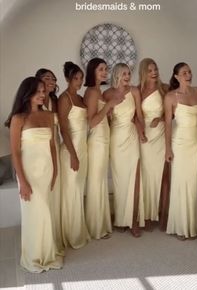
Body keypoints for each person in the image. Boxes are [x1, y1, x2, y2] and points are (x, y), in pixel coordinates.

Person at [5, 77, 63, 272]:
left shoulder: (49, 116)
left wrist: (55, 171)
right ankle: (33, 256)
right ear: (27, 93)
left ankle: (48, 252)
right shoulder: (18, 118)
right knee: (33, 214)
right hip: (28, 174)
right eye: (37, 91)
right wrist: (22, 181)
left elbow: (53, 146)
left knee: (46, 211)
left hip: (46, 172)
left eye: (43, 91)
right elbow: (15, 151)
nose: (42, 94)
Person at [104, 63, 145, 237]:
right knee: (120, 182)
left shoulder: (135, 91)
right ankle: (121, 218)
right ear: (116, 75)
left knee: (134, 179)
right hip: (115, 139)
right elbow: (104, 119)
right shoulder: (107, 94)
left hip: (131, 138)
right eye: (124, 74)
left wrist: (141, 131)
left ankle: (134, 221)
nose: (127, 76)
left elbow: (139, 116)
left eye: (129, 73)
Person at [84, 58, 122, 239]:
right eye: (101, 69)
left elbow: (100, 118)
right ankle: (95, 227)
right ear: (92, 71)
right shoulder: (91, 92)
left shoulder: (99, 91)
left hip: (104, 138)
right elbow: (91, 123)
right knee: (96, 183)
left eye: (106, 69)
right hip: (97, 141)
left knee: (100, 182)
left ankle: (101, 224)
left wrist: (109, 112)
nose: (105, 72)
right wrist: (108, 105)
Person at [164, 62, 197, 240]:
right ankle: (180, 226)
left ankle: (192, 225)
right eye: (184, 72)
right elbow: (167, 124)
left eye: (190, 71)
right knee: (180, 183)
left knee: (194, 183)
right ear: (177, 76)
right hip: (180, 144)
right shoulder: (171, 97)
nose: (189, 74)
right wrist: (167, 149)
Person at [58, 61, 90, 248]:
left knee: (78, 191)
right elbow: (63, 129)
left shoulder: (80, 99)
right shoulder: (65, 99)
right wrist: (73, 155)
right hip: (71, 151)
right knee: (72, 192)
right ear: (67, 79)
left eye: (81, 78)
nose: (79, 82)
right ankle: (71, 235)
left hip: (83, 148)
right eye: (76, 79)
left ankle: (78, 231)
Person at [138, 58, 169, 231]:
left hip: (161, 135)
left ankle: (163, 215)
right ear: (143, 72)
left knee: (163, 177)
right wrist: (140, 131)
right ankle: (148, 215)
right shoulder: (138, 90)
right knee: (146, 176)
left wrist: (161, 118)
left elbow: (173, 113)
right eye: (149, 70)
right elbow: (135, 116)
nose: (154, 72)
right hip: (146, 139)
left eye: (155, 69)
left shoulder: (164, 89)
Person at [35, 68, 64, 255]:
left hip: (55, 149)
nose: (52, 81)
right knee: (41, 196)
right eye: (47, 78)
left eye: (53, 78)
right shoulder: (33, 103)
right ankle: (40, 239)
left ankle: (54, 235)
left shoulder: (55, 101)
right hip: (38, 153)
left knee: (55, 192)